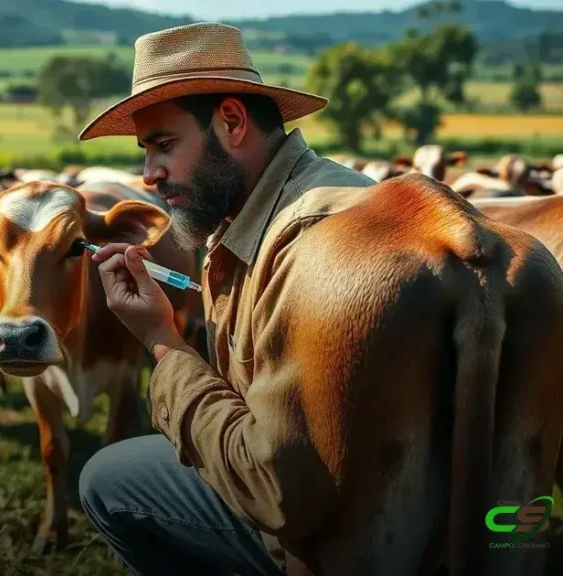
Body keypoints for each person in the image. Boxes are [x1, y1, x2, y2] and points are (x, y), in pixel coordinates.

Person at [76, 22, 563, 576]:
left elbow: (279, 493)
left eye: (164, 145)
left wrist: (163, 344)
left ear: (232, 122)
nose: (149, 174)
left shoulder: (302, 243)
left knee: (107, 478)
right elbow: (515, 498)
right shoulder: (352, 195)